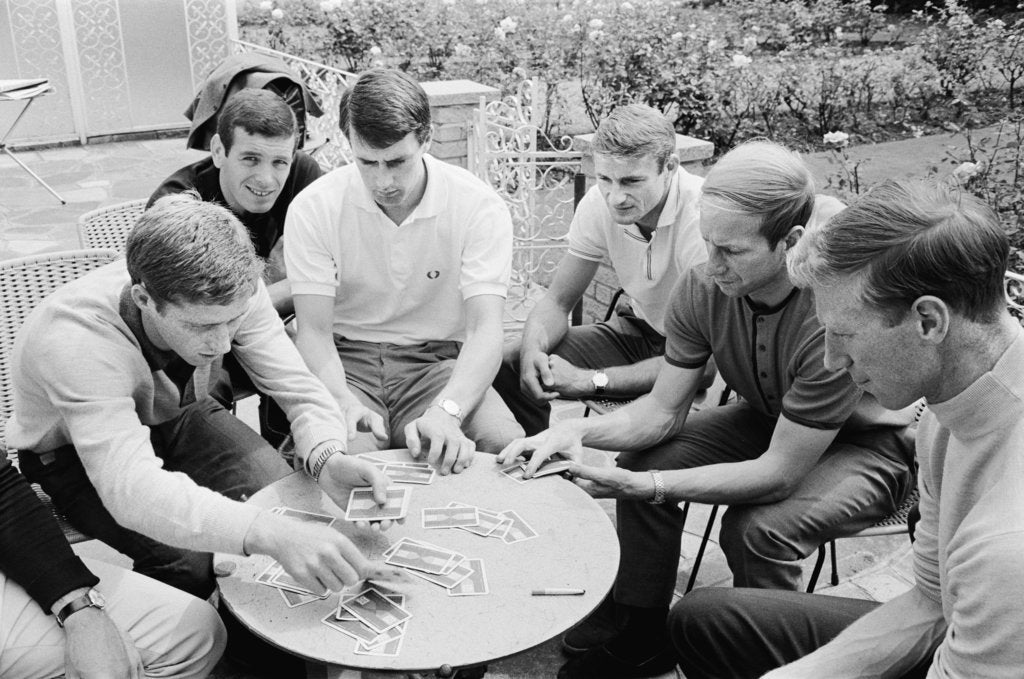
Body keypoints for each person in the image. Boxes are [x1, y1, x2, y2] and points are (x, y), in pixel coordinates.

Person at [498, 141, 915, 679]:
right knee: (645, 460)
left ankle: (765, 659)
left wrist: (650, 488)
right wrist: (574, 436)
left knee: (758, 529)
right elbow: (661, 411)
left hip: (868, 448)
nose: (712, 264)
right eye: (708, 242)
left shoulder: (825, 314)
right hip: (767, 418)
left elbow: (778, 474)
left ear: (790, 242)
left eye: (732, 251)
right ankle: (642, 630)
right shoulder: (703, 286)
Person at [670, 180, 1024, 678]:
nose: (833, 360)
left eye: (843, 334)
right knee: (707, 620)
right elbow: (930, 603)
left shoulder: (1008, 544)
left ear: (928, 321)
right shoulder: (945, 415)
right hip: (963, 633)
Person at [9, 194, 403, 605]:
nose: (223, 344)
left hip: (180, 414)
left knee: (284, 500)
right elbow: (131, 490)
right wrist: (265, 533)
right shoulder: (76, 340)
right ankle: (186, 630)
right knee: (188, 560)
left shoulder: (235, 292)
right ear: (144, 299)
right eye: (201, 326)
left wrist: (327, 457)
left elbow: (298, 386)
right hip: (71, 452)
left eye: (233, 321)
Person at [285, 68, 523, 473]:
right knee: (335, 460)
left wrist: (447, 410)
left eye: (397, 161)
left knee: (501, 447)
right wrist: (341, 400)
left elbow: (485, 329)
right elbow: (314, 331)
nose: (383, 180)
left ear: (426, 138)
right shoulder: (314, 207)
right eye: (367, 162)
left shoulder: (478, 206)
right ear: (348, 143)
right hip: (346, 362)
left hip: (438, 364)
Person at [494, 104, 707, 436]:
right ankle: (536, 455)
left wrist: (590, 380)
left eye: (631, 181)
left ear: (670, 166)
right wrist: (533, 350)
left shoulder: (702, 218)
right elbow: (557, 302)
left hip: (692, 353)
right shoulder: (598, 203)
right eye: (605, 178)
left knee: (645, 451)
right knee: (511, 361)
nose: (615, 197)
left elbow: (707, 366)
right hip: (638, 332)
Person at [0, 449, 225, 678]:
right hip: (76, 457)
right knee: (185, 561)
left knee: (196, 627)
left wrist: (80, 610)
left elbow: (2, 485)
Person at [148, 88, 322, 316]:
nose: (266, 180)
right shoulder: (177, 208)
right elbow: (200, 314)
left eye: (280, 162)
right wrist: (273, 279)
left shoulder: (302, 173)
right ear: (218, 151)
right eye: (250, 159)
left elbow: (333, 272)